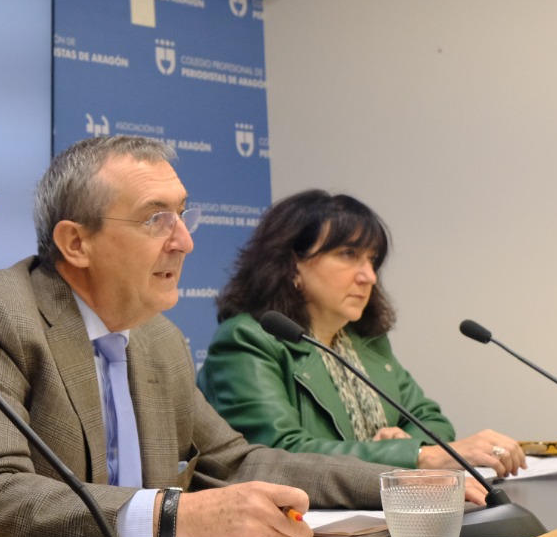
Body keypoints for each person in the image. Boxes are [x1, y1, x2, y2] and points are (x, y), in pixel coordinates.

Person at [0, 136, 395, 537]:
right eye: (156, 219)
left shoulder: (159, 339)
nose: (184, 241)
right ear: (76, 243)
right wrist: (176, 518)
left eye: (182, 215)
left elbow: (236, 464)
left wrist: (402, 484)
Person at [198, 189, 525, 477]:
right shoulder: (247, 339)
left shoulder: (364, 341)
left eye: (372, 260)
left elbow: (431, 421)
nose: (369, 276)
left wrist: (406, 442)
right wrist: (415, 455)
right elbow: (281, 452)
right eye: (348, 255)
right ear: (292, 264)